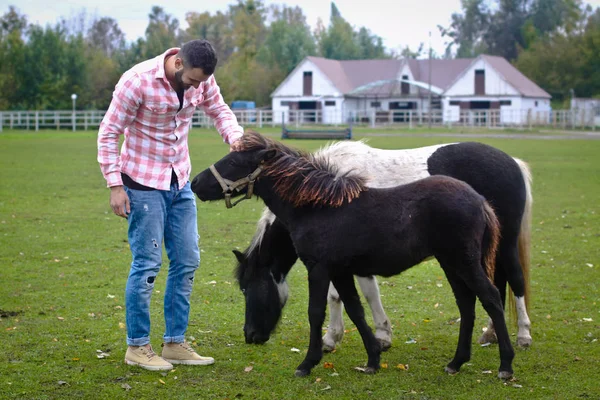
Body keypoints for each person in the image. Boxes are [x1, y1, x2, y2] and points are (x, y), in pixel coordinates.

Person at [97, 39, 244, 371]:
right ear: (178, 63)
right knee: (148, 265)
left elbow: (219, 109)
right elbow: (109, 133)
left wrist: (234, 136)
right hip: (141, 184)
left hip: (180, 182)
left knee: (188, 260)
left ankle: (175, 343)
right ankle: (137, 347)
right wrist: (115, 184)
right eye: (193, 81)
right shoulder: (137, 81)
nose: (197, 87)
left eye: (201, 82)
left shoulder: (201, 79)